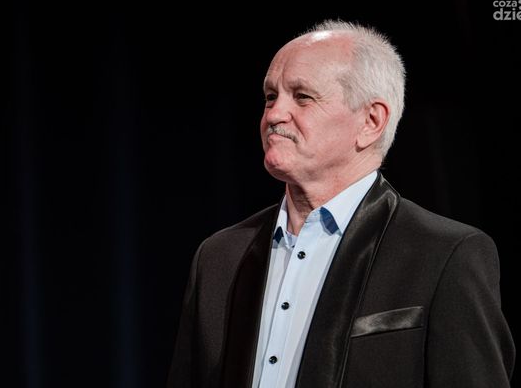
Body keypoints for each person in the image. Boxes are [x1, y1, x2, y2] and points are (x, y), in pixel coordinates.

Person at [167, 19, 515, 388]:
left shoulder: (444, 255)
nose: (274, 115)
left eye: (302, 96)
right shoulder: (220, 257)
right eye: (270, 96)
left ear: (371, 121)